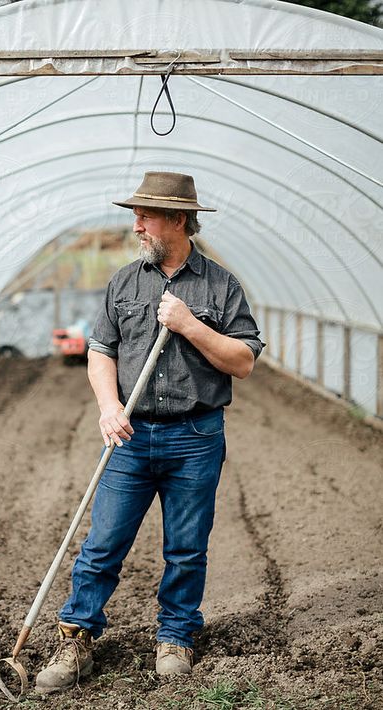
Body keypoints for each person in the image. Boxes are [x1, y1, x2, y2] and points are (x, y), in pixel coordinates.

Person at [35, 171, 265, 694]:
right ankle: (76, 639)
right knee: (102, 544)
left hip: (196, 437)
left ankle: (176, 636)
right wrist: (108, 404)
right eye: (135, 216)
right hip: (132, 437)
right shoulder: (123, 282)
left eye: (145, 216)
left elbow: (243, 361)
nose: (136, 226)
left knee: (186, 547)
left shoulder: (220, 286)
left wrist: (189, 323)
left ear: (178, 221)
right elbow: (101, 351)